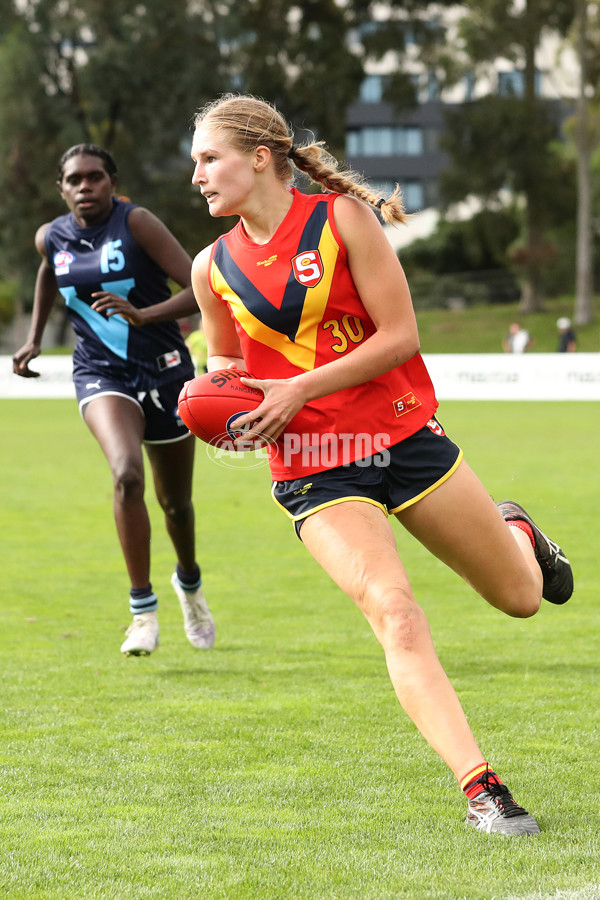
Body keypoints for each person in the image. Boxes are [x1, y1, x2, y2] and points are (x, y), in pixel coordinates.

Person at [188, 94, 573, 836]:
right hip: (314, 468)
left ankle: (518, 531)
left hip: (403, 437)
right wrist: (222, 413)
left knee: (523, 598)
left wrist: (299, 385)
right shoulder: (212, 269)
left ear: (259, 157)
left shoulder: (342, 221)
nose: (198, 175)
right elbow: (226, 369)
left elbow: (400, 337)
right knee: (394, 611)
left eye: (209, 158)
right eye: (195, 163)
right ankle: (482, 789)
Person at [13, 143, 215, 658]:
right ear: (61, 188)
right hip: (101, 372)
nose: (85, 187)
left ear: (112, 182)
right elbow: (48, 271)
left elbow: (199, 286)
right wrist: (35, 336)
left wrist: (146, 315)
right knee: (126, 474)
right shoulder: (51, 237)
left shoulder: (138, 223)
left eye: (95, 177)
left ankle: (189, 584)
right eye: (74, 180)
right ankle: (142, 613)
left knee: (177, 505)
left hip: (167, 372)